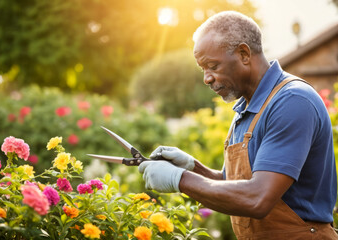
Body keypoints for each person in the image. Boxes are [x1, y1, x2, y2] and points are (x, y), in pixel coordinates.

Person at [138, 11, 338, 239]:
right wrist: (192, 168)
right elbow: (234, 186)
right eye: (203, 69)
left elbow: (258, 197)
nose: (207, 78)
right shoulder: (246, 109)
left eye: (212, 65)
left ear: (244, 54)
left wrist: (180, 179)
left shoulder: (292, 101)